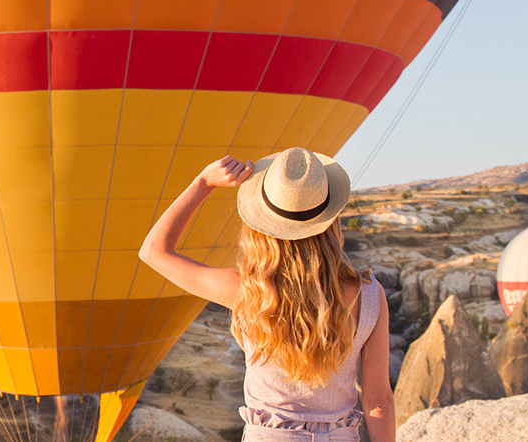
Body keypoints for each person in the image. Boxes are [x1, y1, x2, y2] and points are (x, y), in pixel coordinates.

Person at [139, 147, 392, 441]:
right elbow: (378, 402)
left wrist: (203, 184)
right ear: (331, 221)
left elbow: (153, 252)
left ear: (260, 226)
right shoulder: (369, 295)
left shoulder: (248, 291)